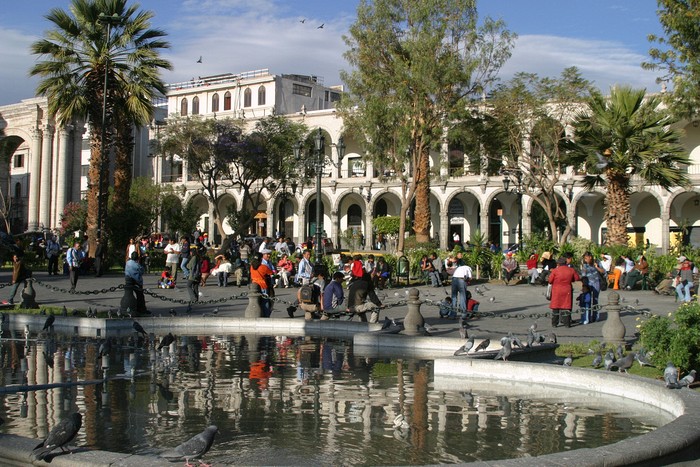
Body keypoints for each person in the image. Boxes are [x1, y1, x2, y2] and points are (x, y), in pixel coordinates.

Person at [548, 256, 580, 328]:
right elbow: (577, 278)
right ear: (565, 262)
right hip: (567, 290)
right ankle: (567, 323)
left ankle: (554, 323)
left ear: (558, 263)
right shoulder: (571, 270)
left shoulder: (555, 271)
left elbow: (550, 280)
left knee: (555, 307)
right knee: (566, 306)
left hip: (556, 290)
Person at [580, 251, 605, 322]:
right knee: (587, 300)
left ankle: (595, 317)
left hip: (596, 283)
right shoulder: (585, 264)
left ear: (590, 257)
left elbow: (603, 271)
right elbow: (583, 275)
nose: (585, 260)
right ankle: (587, 318)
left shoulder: (597, 262)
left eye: (586, 258)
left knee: (595, 300)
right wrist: (584, 285)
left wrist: (597, 267)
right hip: (588, 283)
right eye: (584, 259)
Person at [250, 253, 274, 317]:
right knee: (265, 301)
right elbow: (271, 273)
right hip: (262, 285)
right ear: (260, 259)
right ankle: (266, 315)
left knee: (255, 301)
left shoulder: (251, 267)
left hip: (254, 284)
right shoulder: (263, 267)